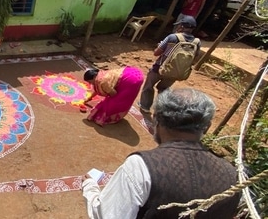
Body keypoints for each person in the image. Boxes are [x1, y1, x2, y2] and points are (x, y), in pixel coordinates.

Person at [81, 88, 240, 219]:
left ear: (155, 119)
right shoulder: (232, 175)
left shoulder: (141, 167)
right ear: (207, 127)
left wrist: (90, 188)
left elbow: (107, 215)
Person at [138, 15, 200, 119]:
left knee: (149, 86)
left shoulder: (173, 37)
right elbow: (195, 57)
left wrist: (161, 46)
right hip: (176, 72)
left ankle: (145, 106)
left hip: (159, 68)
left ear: (181, 26)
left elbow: (156, 53)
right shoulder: (197, 42)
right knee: (164, 89)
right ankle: (159, 111)